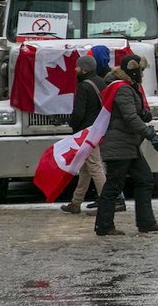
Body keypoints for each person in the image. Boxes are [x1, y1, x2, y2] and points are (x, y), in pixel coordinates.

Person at [94, 55, 158, 236]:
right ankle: (104, 226)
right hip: (120, 145)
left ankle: (146, 222)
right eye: (141, 70)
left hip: (128, 145)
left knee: (144, 180)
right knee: (114, 185)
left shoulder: (127, 87)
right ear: (134, 70)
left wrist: (143, 114)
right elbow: (129, 118)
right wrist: (151, 135)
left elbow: (130, 114)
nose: (143, 74)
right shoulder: (123, 89)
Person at [60, 55, 116, 214]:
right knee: (85, 168)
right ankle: (75, 203)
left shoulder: (84, 86)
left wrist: (71, 124)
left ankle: (107, 203)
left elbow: (79, 113)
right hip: (98, 129)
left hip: (86, 132)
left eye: (77, 67)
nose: (75, 69)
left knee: (95, 166)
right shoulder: (100, 81)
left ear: (84, 69)